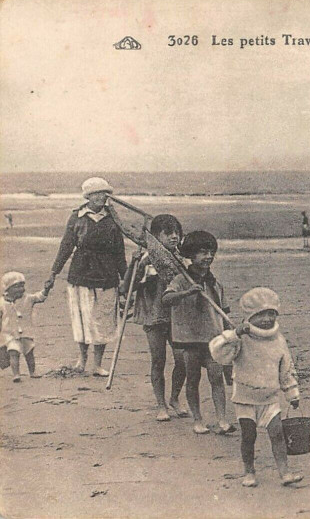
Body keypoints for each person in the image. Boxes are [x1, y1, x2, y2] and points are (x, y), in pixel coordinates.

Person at [209, 287, 303, 487]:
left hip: (270, 397)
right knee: (248, 437)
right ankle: (249, 471)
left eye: (271, 313)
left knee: (277, 434)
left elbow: (286, 368)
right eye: (261, 314)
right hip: (245, 397)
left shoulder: (278, 340)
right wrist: (234, 334)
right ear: (250, 316)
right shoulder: (241, 338)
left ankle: (284, 471)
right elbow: (218, 352)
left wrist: (292, 393)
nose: (267, 319)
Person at [45, 177, 127, 377]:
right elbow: (66, 246)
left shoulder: (113, 218)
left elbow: (119, 251)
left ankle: (97, 364)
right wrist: (53, 272)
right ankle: (81, 360)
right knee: (82, 320)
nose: (101, 197)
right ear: (88, 197)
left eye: (104, 193)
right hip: (81, 274)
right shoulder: (77, 217)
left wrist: (125, 277)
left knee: (103, 321)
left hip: (107, 276)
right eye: (97, 193)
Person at [162, 230, 234, 435]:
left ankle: (222, 419)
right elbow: (166, 300)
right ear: (191, 256)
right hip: (189, 339)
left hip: (213, 338)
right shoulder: (181, 280)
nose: (208, 257)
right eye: (202, 252)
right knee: (192, 378)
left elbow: (225, 313)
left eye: (211, 252)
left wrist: (230, 336)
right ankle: (198, 419)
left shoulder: (215, 283)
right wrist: (187, 292)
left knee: (216, 377)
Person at [128, 214, 188, 421]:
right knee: (158, 361)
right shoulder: (147, 259)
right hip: (153, 316)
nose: (174, 237)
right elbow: (127, 288)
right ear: (156, 236)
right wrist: (133, 266)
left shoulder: (182, 258)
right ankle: (160, 405)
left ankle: (174, 398)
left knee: (183, 360)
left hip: (177, 315)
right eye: (168, 233)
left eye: (177, 233)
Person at [1, 272, 51, 382]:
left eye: (22, 285)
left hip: (26, 333)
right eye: (17, 286)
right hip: (10, 334)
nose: (21, 289)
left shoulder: (28, 298)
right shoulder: (2, 303)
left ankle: (32, 372)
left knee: (29, 353)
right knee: (14, 353)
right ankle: (16, 374)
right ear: (8, 289)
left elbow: (40, 297)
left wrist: (46, 289)